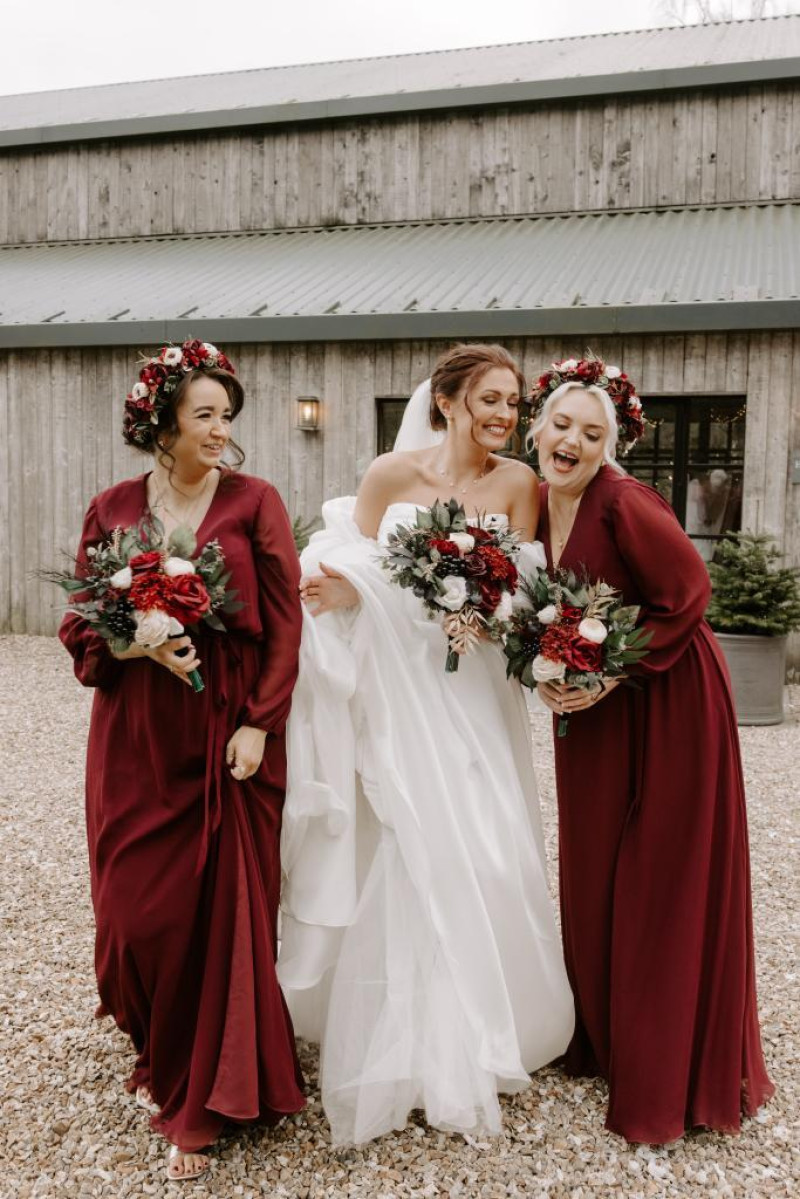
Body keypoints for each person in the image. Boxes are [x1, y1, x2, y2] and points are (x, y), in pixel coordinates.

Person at [278, 343, 574, 1146]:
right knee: (401, 839)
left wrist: (483, 608)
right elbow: (347, 570)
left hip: (473, 690)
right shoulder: (389, 475)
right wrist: (348, 588)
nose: (505, 414)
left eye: (512, 401)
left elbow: (523, 593)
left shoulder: (519, 484)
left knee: (483, 839)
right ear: (445, 401)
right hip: (399, 687)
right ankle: (389, 1036)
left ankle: (483, 1024)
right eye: (490, 398)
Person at [59, 340, 305, 1181]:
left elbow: (285, 626)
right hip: (135, 733)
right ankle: (161, 1043)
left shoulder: (256, 501)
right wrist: (137, 646)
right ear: (161, 422)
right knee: (133, 915)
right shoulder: (112, 507)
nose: (220, 428)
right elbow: (81, 623)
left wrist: (261, 725)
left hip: (226, 729)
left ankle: (202, 1096)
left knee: (214, 913)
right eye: (204, 414)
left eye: (226, 415)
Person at [529, 356, 774, 1143]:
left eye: (590, 433)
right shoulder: (536, 500)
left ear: (610, 445)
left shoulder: (624, 502)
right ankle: (606, 1036)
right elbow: (540, 610)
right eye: (562, 425)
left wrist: (610, 673)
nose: (571, 441)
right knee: (595, 863)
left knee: (658, 872)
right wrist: (546, 672)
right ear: (539, 425)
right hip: (594, 710)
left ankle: (669, 1067)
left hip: (668, 696)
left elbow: (690, 593)